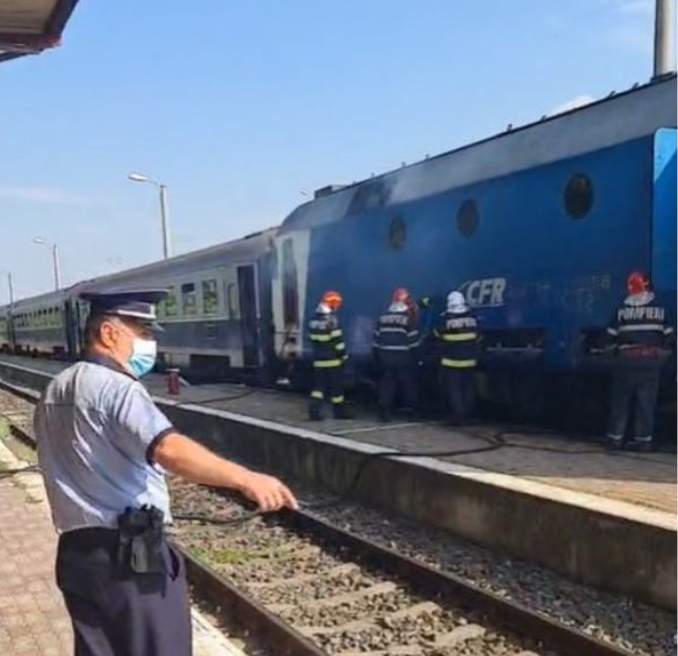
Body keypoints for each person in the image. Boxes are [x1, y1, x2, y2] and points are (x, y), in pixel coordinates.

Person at [34, 289, 297, 656]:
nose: (150, 342)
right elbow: (169, 449)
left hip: (77, 556)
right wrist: (247, 478)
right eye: (142, 331)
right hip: (129, 562)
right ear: (109, 333)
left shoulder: (54, 390)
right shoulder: (118, 388)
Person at [605, 272, 673, 451]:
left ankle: (615, 439)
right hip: (651, 361)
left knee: (621, 401)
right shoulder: (660, 308)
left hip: (626, 360)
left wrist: (611, 350)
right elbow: (670, 335)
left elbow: (610, 335)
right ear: (647, 285)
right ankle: (644, 441)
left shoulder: (623, 308)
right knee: (646, 402)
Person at [372, 288, 420, 422]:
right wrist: (417, 358)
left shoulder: (382, 317)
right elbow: (413, 341)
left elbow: (376, 338)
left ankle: (384, 413)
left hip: (385, 357)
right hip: (403, 358)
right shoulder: (408, 319)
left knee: (387, 385)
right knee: (408, 385)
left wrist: (376, 355)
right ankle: (412, 412)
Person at [435, 290, 480, 425]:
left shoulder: (446, 321)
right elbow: (479, 337)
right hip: (469, 361)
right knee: (468, 389)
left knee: (454, 390)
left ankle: (458, 417)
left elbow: (437, 336)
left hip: (451, 362)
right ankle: (468, 415)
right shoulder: (472, 319)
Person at [308, 290, 351, 420]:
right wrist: (343, 356)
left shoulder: (313, 320)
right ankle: (340, 413)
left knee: (318, 389)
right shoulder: (332, 321)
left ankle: (314, 412)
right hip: (333, 361)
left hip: (318, 361)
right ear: (331, 304)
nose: (337, 306)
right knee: (336, 389)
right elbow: (338, 343)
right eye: (336, 304)